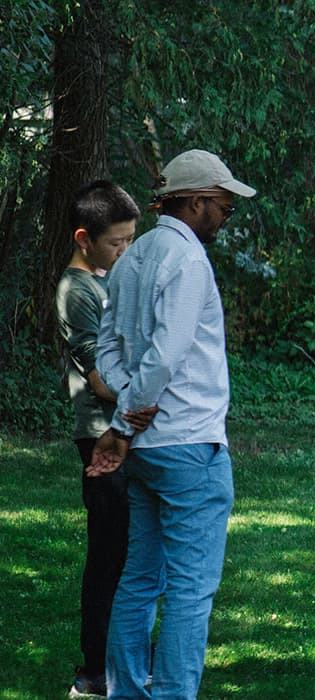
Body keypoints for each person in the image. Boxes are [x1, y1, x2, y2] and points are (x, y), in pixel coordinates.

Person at [88, 149, 255, 699]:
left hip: (149, 450)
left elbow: (109, 347)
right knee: (189, 589)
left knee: (139, 578)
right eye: (224, 207)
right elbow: (166, 355)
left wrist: (125, 410)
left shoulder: (135, 255)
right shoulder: (186, 261)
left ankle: (127, 692)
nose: (226, 217)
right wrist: (127, 419)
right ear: (198, 201)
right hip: (189, 444)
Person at [56, 180, 139, 697]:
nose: (126, 251)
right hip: (100, 435)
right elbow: (100, 378)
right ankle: (93, 672)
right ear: (84, 238)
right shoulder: (77, 290)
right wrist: (146, 396)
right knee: (109, 554)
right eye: (117, 243)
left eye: (132, 240)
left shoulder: (109, 277)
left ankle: (122, 663)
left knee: (131, 552)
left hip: (127, 431)